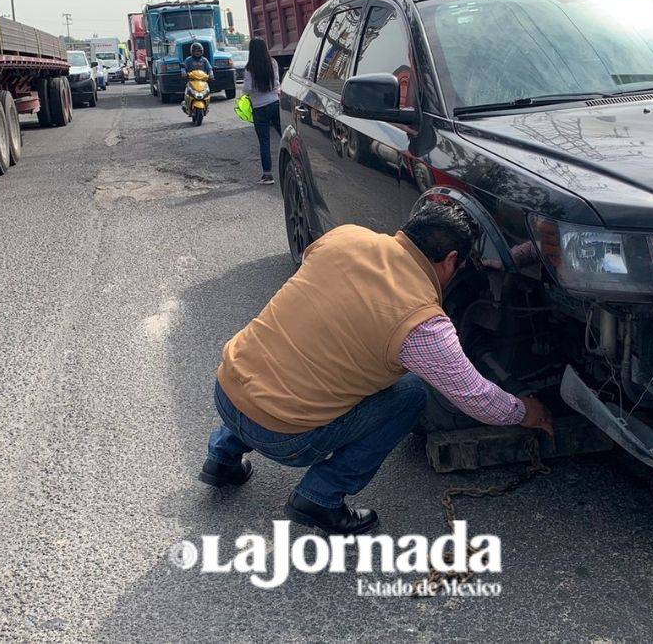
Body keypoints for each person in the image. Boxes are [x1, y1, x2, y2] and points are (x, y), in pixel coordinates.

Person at [200, 203, 554, 534]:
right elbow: (476, 398)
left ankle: (221, 458)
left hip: (227, 389)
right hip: (284, 437)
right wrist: (526, 412)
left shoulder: (346, 236)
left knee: (286, 350)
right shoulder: (423, 325)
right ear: (450, 261)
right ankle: (320, 497)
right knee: (412, 392)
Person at [242, 37, 281, 185]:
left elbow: (247, 89)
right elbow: (277, 83)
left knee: (264, 142)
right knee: (285, 135)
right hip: (274, 103)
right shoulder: (273, 63)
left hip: (259, 108)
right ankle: (300, 166)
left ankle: (267, 175)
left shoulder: (249, 67)